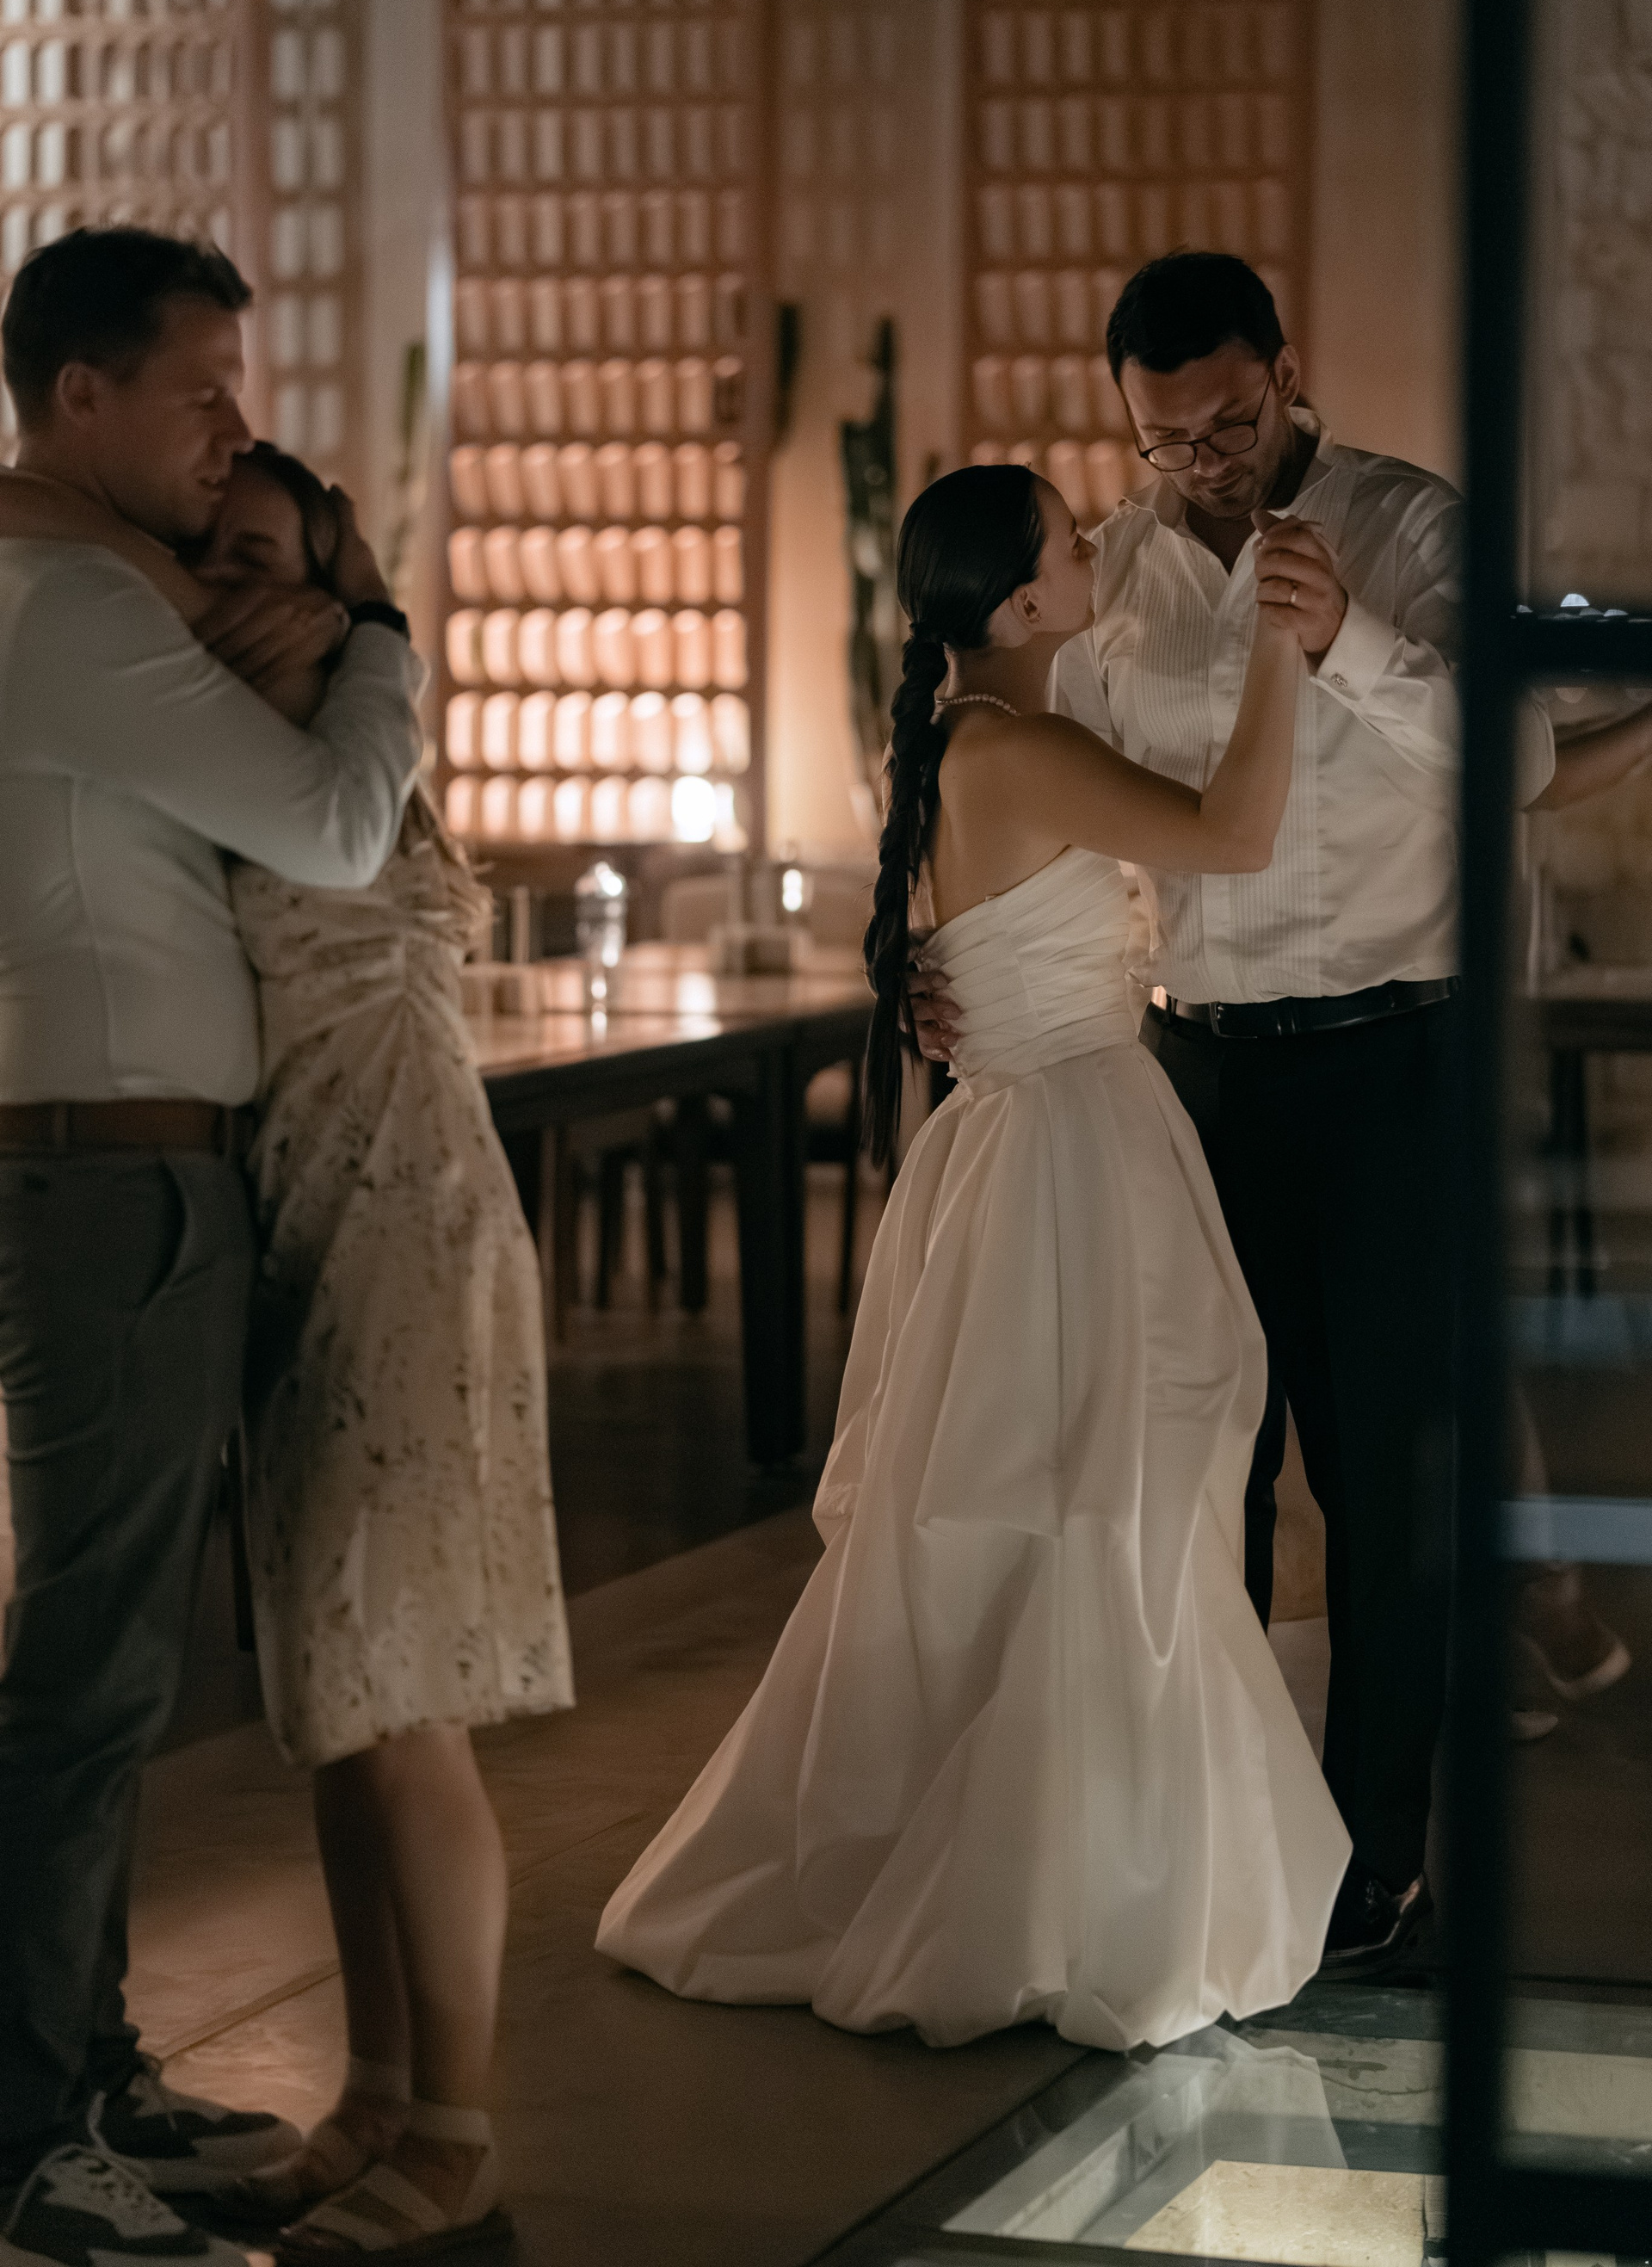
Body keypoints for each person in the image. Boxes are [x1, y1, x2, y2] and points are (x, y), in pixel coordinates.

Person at [596, 463, 1351, 2051]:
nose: (1092, 554)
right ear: (1018, 604)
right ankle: (1064, 1888)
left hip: (1038, 1137)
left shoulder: (972, 741)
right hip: (1072, 1150)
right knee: (1096, 1504)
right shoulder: (1016, 748)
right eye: (1071, 546)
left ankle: (1073, 1859)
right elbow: (1238, 831)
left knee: (1080, 1500)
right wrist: (1285, 649)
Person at [909, 253, 1590, 1979]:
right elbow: (1009, 772)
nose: (1199, 462)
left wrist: (1347, 641)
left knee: (1385, 1483)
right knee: (1198, 1456)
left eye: (1226, 422)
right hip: (1190, 1071)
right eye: (1164, 437)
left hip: (1394, 1059)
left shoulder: (1411, 527)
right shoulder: (1116, 569)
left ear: (1286, 373)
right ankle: (1201, 1838)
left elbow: (1520, 760)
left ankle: (1379, 1860)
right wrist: (949, 959)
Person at [0, 440, 576, 2264]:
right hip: (301, 1226)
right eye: (210, 558)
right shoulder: (237, 738)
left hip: (403, 1221)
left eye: (265, 559)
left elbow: (338, 814)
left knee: (404, 1710)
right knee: (334, 1707)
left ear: (331, 591)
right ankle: (375, 2102)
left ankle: (458, 2136)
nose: (227, 587)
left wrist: (380, 626)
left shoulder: (345, 749)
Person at [0, 228, 422, 2267]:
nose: (232, 431)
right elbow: (337, 825)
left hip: (121, 1171)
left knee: (107, 1666)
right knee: (86, 1679)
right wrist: (385, 636)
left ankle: (85, 2074)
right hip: (111, 1179)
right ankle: (25, 2141)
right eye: (201, 393)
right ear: (79, 396)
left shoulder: (81, 580)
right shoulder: (72, 600)